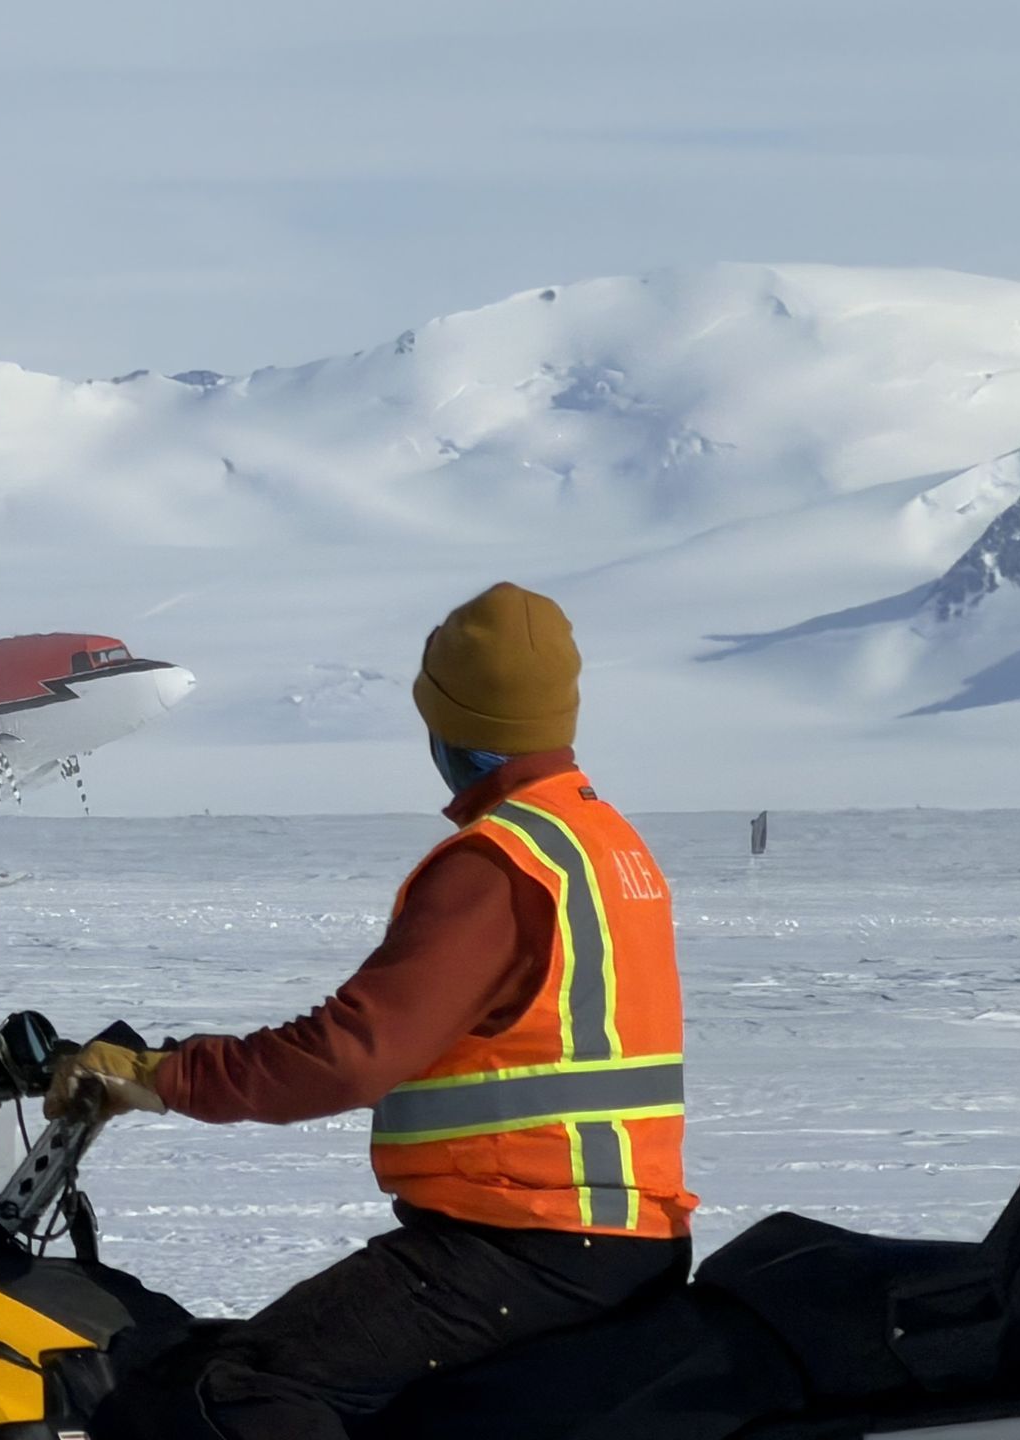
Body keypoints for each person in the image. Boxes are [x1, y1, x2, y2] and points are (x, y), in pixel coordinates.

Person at [46, 582, 699, 1440]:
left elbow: (352, 1053)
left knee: (222, 1392)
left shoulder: (499, 866)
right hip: (612, 1237)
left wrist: (165, 1077)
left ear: (445, 722)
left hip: (525, 1244)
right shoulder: (602, 841)